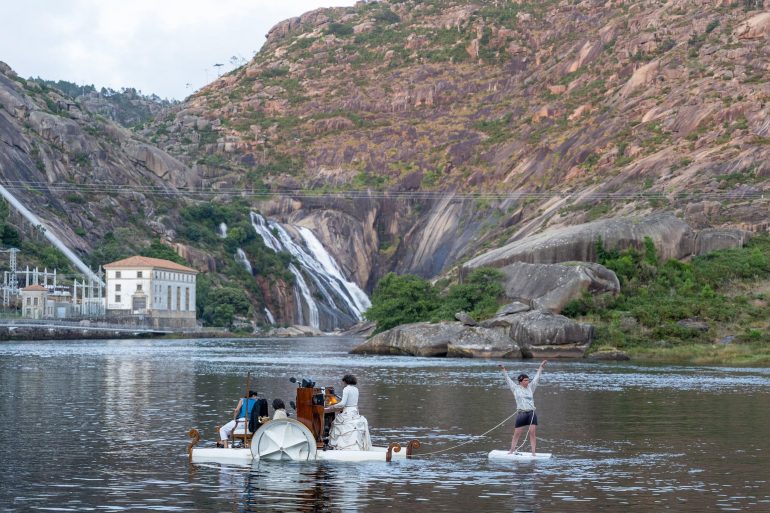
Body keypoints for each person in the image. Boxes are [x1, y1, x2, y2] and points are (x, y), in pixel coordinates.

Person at [499, 360, 547, 456]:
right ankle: (511, 450)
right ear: (520, 381)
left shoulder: (531, 387)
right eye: (525, 380)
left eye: (528, 380)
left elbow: (537, 378)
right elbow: (507, 379)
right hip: (521, 413)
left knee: (532, 433)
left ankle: (533, 453)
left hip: (531, 413)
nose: (527, 382)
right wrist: (503, 369)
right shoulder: (515, 388)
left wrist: (541, 367)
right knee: (517, 433)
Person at [325, 374, 371, 451]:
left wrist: (332, 407)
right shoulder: (356, 389)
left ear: (346, 381)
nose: (343, 384)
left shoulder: (346, 389)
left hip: (347, 413)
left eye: (343, 382)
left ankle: (340, 446)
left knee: (336, 425)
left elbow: (343, 404)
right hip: (355, 412)